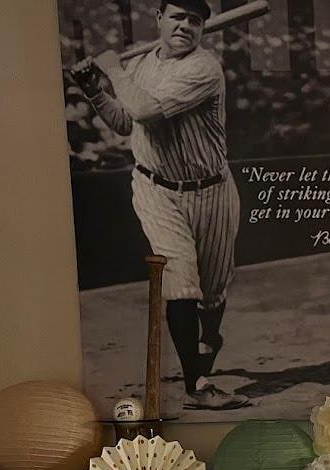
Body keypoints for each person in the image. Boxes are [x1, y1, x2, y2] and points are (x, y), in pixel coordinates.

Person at [73, 0, 248, 410]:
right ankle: (198, 384)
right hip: (155, 188)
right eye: (177, 17)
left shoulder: (204, 68)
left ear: (203, 28)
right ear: (159, 20)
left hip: (211, 191)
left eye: (195, 20)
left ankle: (209, 338)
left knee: (213, 288)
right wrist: (94, 88)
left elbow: (144, 109)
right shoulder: (141, 65)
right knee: (180, 281)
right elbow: (122, 121)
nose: (185, 26)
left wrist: (113, 69)